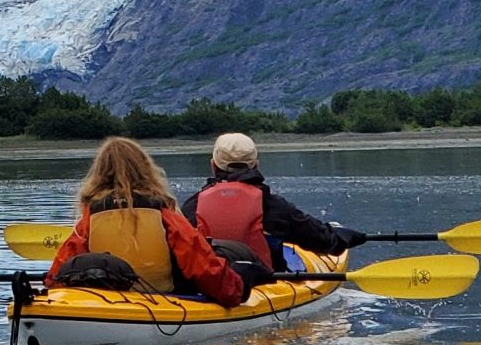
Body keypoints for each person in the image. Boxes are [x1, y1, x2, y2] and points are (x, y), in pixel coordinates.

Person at [46, 136, 250, 306]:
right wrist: (235, 291)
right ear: (145, 169)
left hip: (109, 302)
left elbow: (57, 277)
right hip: (163, 300)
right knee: (248, 270)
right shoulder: (163, 214)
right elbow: (202, 265)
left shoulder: (89, 219)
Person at [182, 131, 367, 274]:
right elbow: (321, 240)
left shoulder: (191, 207)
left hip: (210, 285)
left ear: (213, 166)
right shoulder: (272, 205)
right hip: (265, 283)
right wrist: (341, 238)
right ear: (255, 165)